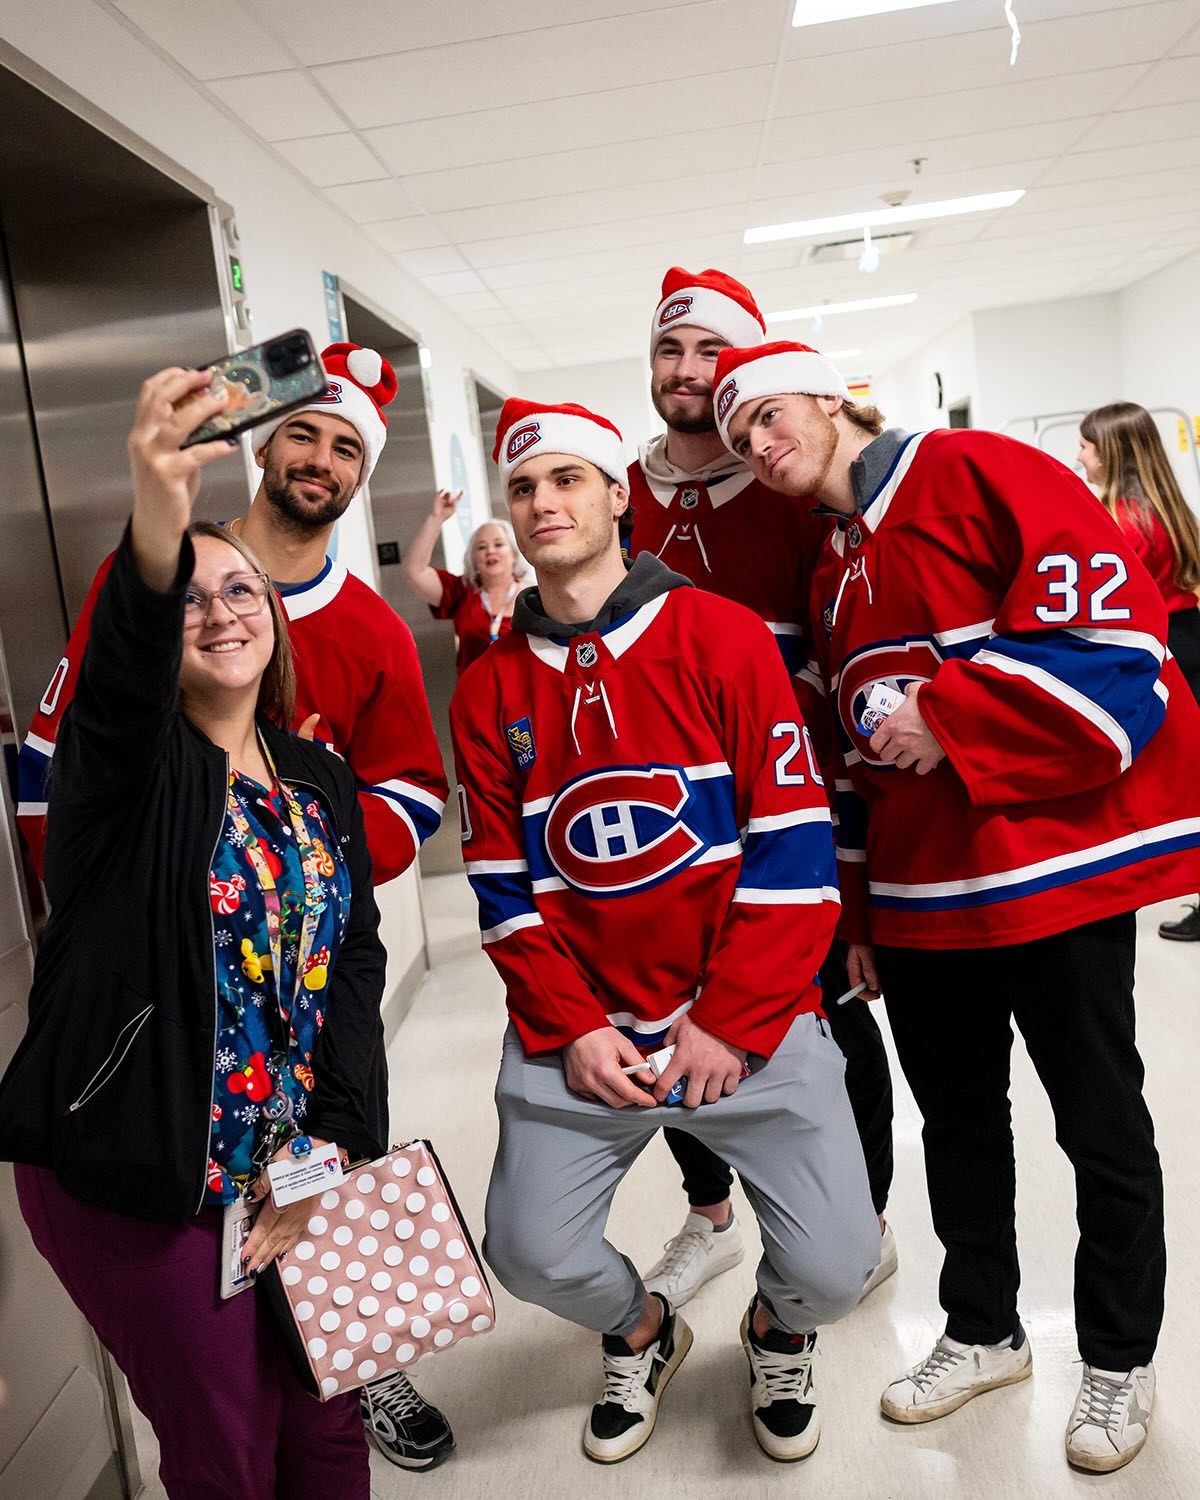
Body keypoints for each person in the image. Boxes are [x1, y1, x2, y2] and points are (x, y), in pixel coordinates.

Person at [714, 339, 1200, 1474]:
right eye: (740, 437)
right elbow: (845, 757)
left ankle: (1118, 1357)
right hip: (921, 901)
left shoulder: (979, 470)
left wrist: (951, 712)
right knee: (959, 1128)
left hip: (1055, 883)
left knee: (1100, 1124)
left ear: (829, 398)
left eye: (772, 416)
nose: (761, 445)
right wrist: (859, 914)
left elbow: (1112, 640)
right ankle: (983, 1330)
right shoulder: (831, 565)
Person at [14, 342, 454, 1472]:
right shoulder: (129, 778)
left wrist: (333, 1154)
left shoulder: (317, 782)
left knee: (328, 1425)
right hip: (152, 1172)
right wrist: (159, 505)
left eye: (242, 591)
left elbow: (352, 971)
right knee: (231, 1451)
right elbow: (118, 679)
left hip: (293, 1161)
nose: (218, 611)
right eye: (189, 596)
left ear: (277, 619)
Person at [451, 397, 879, 1466]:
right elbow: (502, 891)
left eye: (567, 479)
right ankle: (642, 1329)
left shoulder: (721, 637)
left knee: (839, 1268)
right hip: (586, 1033)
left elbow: (794, 852)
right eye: (523, 488)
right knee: (527, 1251)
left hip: (744, 1021)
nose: (543, 503)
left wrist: (728, 1020)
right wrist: (574, 1028)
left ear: (616, 496)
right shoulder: (488, 687)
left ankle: (777, 1330)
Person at [628, 266, 897, 1306]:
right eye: (671, 349)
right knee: (664, 1015)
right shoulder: (614, 494)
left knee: (827, 1020)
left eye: (711, 350)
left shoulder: (791, 488)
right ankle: (710, 1218)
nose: (688, 369)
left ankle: (862, 1219)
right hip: (665, 829)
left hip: (793, 814)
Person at [1079, 401, 1200, 941]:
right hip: (1190, 637)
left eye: (1085, 446)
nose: (1079, 457)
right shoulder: (1165, 507)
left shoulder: (1121, 523)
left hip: (1164, 651)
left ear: (1110, 453)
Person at [400, 487, 529, 674]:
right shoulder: (461, 591)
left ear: (514, 554)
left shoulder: (533, 598)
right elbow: (414, 571)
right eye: (481, 547)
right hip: (474, 691)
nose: (490, 551)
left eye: (499, 544)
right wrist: (436, 519)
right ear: (473, 559)